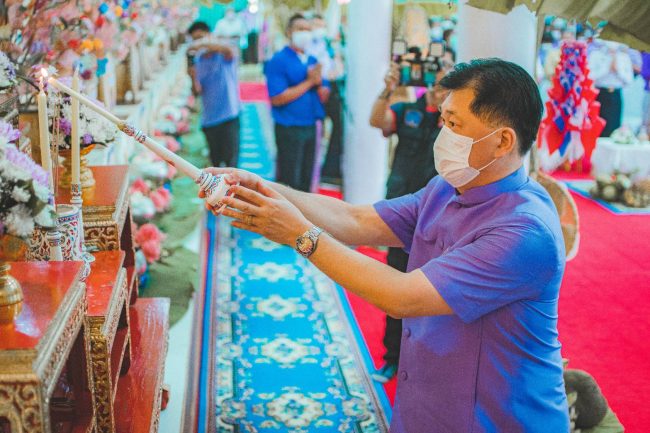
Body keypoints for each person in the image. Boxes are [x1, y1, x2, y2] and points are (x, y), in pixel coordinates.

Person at [205, 58, 570, 432]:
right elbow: (356, 220)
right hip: (427, 405)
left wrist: (299, 234)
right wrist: (262, 187)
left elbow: (402, 296)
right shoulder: (447, 188)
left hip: (492, 418)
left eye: (455, 125)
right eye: (443, 119)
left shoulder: (525, 231)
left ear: (502, 141)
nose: (442, 134)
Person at [367, 63, 448, 383]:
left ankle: (427, 361)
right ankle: (393, 358)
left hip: (440, 215)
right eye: (438, 82)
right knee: (396, 285)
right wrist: (387, 88)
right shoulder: (408, 110)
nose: (441, 90)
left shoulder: (456, 122)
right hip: (402, 211)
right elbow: (377, 121)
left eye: (448, 85)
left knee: (432, 291)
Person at [264, 13, 329, 192]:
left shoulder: (312, 60)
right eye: (300, 29)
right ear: (289, 32)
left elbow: (323, 94)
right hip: (289, 127)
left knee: (306, 179)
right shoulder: (278, 61)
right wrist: (308, 82)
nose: (305, 33)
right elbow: (277, 98)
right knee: (288, 180)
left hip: (310, 125)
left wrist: (322, 87)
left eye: (308, 29)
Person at [187, 21, 241, 168]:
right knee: (215, 163)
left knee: (231, 164)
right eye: (195, 39)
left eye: (201, 38)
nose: (199, 43)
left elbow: (231, 50)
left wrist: (205, 43)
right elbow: (197, 91)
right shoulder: (197, 61)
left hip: (229, 116)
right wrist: (192, 76)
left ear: (210, 36)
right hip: (210, 120)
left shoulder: (223, 55)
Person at [308, 14, 344, 185]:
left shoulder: (327, 45)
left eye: (321, 25)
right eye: (316, 25)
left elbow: (336, 68)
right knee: (316, 132)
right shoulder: (307, 47)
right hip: (314, 91)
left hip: (330, 88)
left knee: (338, 127)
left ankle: (329, 169)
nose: (319, 29)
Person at [588, 40, 634, 137]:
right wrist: (606, 68)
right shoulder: (596, 54)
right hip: (600, 93)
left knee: (614, 125)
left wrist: (618, 70)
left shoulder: (624, 57)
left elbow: (629, 80)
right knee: (598, 125)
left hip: (615, 93)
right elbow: (590, 76)